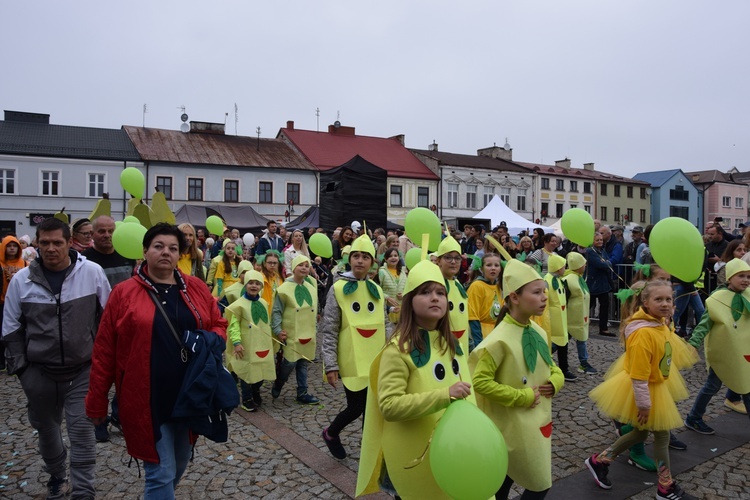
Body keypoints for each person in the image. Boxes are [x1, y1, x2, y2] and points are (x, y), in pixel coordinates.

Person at [86, 223, 229, 499]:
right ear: (145, 251)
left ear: (180, 254)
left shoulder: (196, 288)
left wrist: (209, 339)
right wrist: (97, 401)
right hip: (146, 397)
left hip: (189, 394)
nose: (166, 252)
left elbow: (219, 324)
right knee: (160, 474)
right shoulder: (124, 293)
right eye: (159, 246)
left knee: (178, 465)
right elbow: (105, 351)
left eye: (173, 248)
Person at [3, 217, 110, 499]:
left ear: (68, 243)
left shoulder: (92, 273)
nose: (51, 249)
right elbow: (11, 330)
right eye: (45, 243)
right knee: (48, 431)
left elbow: (107, 320)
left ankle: (83, 491)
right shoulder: (21, 281)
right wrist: (23, 372)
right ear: (37, 244)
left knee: (82, 430)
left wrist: (102, 363)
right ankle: (57, 476)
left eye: (57, 243)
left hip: (83, 370)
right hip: (39, 372)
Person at [356, 260, 473, 499]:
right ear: (409, 301)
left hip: (448, 449)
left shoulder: (453, 344)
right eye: (425, 292)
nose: (435, 298)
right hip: (411, 454)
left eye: (440, 292)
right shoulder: (397, 350)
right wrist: (445, 394)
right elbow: (389, 406)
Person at [585, 280, 695, 500]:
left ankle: (600, 461)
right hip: (645, 390)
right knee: (662, 435)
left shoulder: (659, 323)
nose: (665, 304)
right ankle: (665, 487)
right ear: (645, 302)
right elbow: (639, 375)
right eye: (659, 299)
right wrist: (644, 405)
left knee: (641, 432)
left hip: (656, 385)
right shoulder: (643, 333)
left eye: (669, 299)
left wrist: (668, 318)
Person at [471, 259, 564, 499]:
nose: (544, 297)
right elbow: (479, 382)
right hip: (511, 426)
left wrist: (556, 379)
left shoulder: (539, 331)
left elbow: (550, 366)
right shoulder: (497, 341)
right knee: (536, 483)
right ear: (514, 297)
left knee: (516, 479)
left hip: (537, 421)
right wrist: (520, 396)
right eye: (536, 292)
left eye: (544, 291)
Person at [320, 234, 390, 459]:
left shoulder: (377, 290)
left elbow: (385, 324)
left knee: (372, 408)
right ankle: (331, 433)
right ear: (350, 259)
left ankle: (369, 449)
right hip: (351, 360)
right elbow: (329, 329)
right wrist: (330, 365)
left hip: (375, 360)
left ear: (373, 262)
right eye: (356, 256)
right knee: (356, 407)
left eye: (365, 257)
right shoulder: (338, 289)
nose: (360, 261)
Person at [82, 215, 136, 441]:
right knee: (100, 376)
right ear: (92, 234)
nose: (106, 235)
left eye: (110, 231)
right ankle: (99, 419)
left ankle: (118, 415)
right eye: (101, 231)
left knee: (125, 375)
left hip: (125, 324)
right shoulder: (84, 260)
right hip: (96, 325)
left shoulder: (127, 256)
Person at [684, 258, 750, 434]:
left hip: (743, 352)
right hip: (724, 353)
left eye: (748, 276)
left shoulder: (749, 295)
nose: (746, 280)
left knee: (747, 385)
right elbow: (704, 324)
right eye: (741, 276)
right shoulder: (717, 299)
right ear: (729, 278)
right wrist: (693, 343)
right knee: (712, 386)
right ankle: (694, 417)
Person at [270, 255, 320, 404]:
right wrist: (278, 329)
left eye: (306, 265)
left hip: (307, 332)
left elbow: (313, 309)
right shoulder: (284, 289)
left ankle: (302, 392)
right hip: (291, 332)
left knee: (303, 361)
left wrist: (315, 327)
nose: (304, 268)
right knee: (290, 362)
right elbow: (277, 311)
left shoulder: (311, 287)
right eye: (300, 265)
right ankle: (280, 381)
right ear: (293, 268)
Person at [225, 270, 276, 412]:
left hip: (261, 343)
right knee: (247, 371)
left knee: (261, 368)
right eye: (251, 283)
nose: (254, 286)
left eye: (257, 283)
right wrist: (236, 342)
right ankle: (247, 399)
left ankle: (256, 390)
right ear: (245, 284)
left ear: (261, 286)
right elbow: (233, 325)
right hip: (246, 344)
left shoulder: (263, 303)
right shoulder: (238, 305)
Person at [543, 254, 577, 381]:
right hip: (552, 318)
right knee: (553, 343)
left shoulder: (559, 279)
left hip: (561, 318)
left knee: (564, 342)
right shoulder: (547, 281)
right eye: (563, 266)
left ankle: (564, 368)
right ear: (558, 268)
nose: (565, 268)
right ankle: (548, 365)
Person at [563, 252, 598, 374]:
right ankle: (583, 363)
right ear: (578, 265)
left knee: (572, 338)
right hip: (573, 316)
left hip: (579, 316)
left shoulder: (578, 277)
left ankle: (584, 362)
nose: (585, 266)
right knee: (571, 339)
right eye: (583, 263)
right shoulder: (569, 279)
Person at [435, 236, 470, 354]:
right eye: (448, 257)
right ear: (438, 260)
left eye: (457, 258)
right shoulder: (433, 285)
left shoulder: (458, 284)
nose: (453, 262)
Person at [0, 235, 28, 371]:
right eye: (9, 246)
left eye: (14, 246)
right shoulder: (0, 263)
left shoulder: (24, 264)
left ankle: (15, 361)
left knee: (17, 333)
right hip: (2, 303)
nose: (12, 248)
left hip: (19, 303)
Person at [466, 253, 503, 350]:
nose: (493, 268)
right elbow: (472, 316)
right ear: (481, 268)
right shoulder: (477, 286)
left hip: (495, 334)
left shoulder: (498, 287)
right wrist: (479, 344)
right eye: (489, 265)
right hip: (481, 334)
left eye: (496, 265)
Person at [587, 232, 615, 337]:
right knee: (588, 306)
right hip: (593, 283)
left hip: (603, 283)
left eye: (601, 240)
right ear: (593, 241)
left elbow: (607, 262)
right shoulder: (590, 251)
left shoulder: (602, 251)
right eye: (597, 240)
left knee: (604, 307)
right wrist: (607, 263)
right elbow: (601, 264)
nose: (600, 242)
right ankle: (580, 325)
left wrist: (607, 263)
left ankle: (603, 328)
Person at [378, 248, 405, 323]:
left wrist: (403, 294)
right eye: (390, 256)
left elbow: (407, 288)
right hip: (387, 311)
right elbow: (377, 289)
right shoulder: (381, 272)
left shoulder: (403, 273)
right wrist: (387, 297)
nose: (393, 258)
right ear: (385, 259)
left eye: (395, 255)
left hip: (401, 311)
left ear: (399, 258)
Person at [258, 251, 284, 315]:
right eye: (270, 263)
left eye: (275, 263)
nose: (272, 265)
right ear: (264, 264)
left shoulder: (280, 278)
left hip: (278, 312)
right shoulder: (259, 277)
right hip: (264, 311)